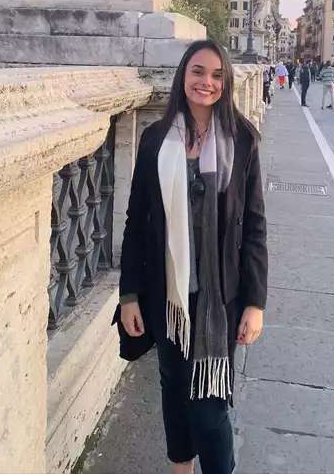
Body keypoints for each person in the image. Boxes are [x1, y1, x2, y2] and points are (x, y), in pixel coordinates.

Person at [119, 39, 268, 474]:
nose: (207, 82)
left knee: (209, 407)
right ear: (183, 76)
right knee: (172, 385)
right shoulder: (155, 141)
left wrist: (256, 303)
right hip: (165, 294)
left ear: (227, 82)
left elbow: (255, 225)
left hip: (219, 298)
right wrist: (129, 295)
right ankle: (180, 467)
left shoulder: (242, 141)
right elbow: (134, 222)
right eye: (198, 72)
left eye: (218, 75)